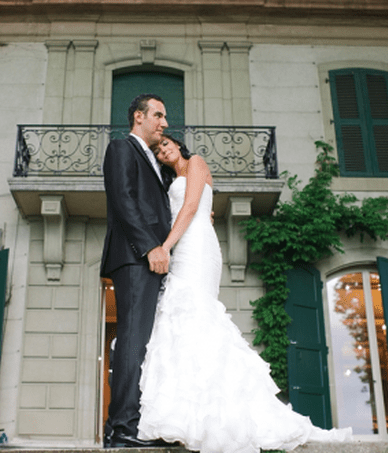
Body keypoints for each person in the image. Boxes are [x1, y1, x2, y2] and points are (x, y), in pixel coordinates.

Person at [137, 134, 353, 453]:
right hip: (184, 243)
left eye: (166, 144)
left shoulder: (195, 163)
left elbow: (193, 205)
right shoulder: (171, 180)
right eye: (157, 150)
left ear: (179, 145)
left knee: (197, 316)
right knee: (180, 322)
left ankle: (214, 415)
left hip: (195, 246)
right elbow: (189, 208)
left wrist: (165, 247)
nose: (163, 150)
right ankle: (189, 417)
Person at [100, 94, 173, 448]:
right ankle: (121, 429)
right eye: (158, 115)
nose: (164, 123)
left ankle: (138, 424)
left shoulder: (155, 160)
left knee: (145, 343)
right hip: (135, 258)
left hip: (152, 260)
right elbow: (123, 199)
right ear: (139, 117)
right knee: (131, 341)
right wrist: (149, 246)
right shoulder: (121, 149)